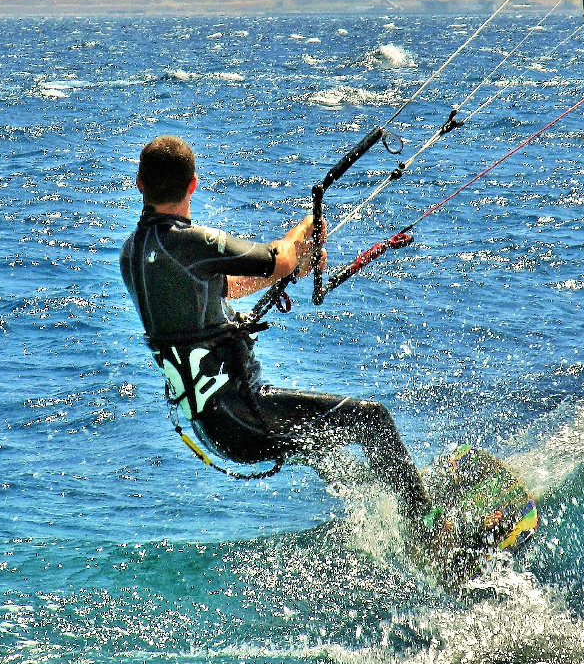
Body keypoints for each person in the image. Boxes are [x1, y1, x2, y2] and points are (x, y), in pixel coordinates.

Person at [120, 135, 433, 531]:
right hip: (242, 413)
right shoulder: (189, 242)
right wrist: (305, 230)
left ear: (139, 183)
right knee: (372, 418)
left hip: (214, 424)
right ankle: (428, 528)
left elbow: (225, 286)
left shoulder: (132, 252)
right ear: (193, 184)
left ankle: (392, 516)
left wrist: (292, 267)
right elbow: (277, 259)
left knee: (322, 445)